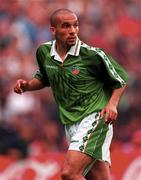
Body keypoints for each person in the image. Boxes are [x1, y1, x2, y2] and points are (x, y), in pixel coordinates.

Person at [14, 9, 128, 180]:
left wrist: (112, 104)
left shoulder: (91, 54)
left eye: (75, 25)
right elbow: (44, 77)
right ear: (53, 30)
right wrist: (27, 86)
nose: (72, 30)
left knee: (70, 173)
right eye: (66, 26)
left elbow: (121, 79)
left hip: (95, 117)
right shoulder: (44, 52)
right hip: (70, 122)